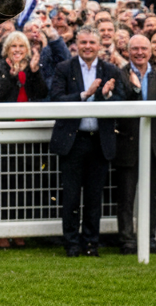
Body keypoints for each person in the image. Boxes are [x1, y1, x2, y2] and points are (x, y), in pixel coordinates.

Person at [49, 26, 122, 257]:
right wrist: (85, 94)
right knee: (70, 197)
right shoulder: (63, 68)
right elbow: (56, 98)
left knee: (94, 198)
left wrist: (107, 95)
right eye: (83, 43)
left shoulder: (110, 69)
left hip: (99, 141)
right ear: (76, 45)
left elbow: (123, 98)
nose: (88, 46)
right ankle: (71, 244)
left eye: (92, 42)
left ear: (100, 45)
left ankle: (91, 244)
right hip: (74, 141)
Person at [114, 35, 156, 254]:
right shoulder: (120, 75)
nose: (139, 52)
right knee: (126, 197)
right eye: (135, 49)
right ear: (127, 51)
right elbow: (119, 104)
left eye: (143, 48)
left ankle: (149, 238)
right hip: (128, 144)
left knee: (154, 197)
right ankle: (128, 241)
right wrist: (135, 90)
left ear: (151, 52)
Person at [0, 31, 47, 104]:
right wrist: (11, 76)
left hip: (29, 113)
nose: (17, 50)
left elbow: (42, 94)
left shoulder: (30, 66)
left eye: (21, 46)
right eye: (13, 46)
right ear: (7, 49)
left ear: (27, 49)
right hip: (7, 112)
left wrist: (35, 72)